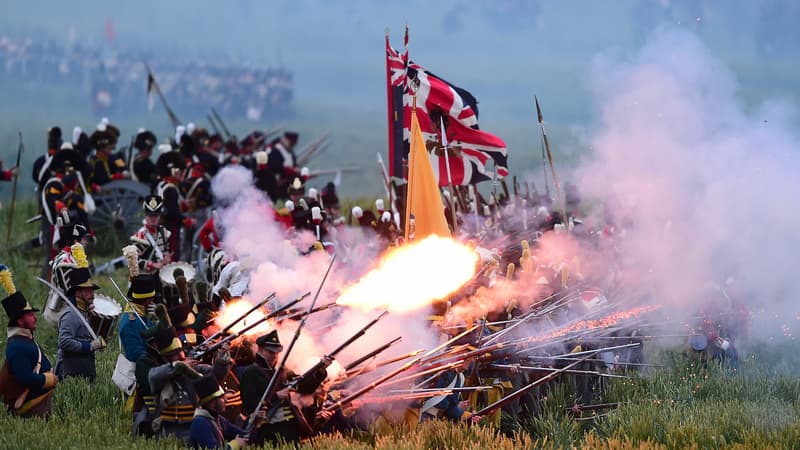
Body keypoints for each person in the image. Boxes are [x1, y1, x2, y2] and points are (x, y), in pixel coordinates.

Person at [0, 266, 58, 418]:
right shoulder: (17, 346)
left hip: (39, 403)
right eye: (30, 315)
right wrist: (47, 379)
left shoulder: (24, 340)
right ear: (20, 320)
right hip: (31, 408)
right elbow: (24, 377)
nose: (35, 317)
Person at [240, 330, 312, 447]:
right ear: (261, 350)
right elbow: (249, 406)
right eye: (270, 352)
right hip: (269, 430)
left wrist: (320, 372)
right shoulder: (251, 373)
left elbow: (303, 387)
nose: (274, 356)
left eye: (276, 353)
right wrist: (276, 396)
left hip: (290, 428)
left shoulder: (281, 371)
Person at [56, 256, 106, 382]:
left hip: (83, 369)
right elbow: (64, 341)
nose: (92, 294)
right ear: (77, 292)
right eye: (88, 290)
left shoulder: (84, 312)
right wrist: (89, 346)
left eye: (92, 290)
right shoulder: (71, 314)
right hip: (70, 372)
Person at [189, 375, 248, 450]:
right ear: (212, 402)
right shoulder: (200, 423)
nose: (225, 400)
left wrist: (254, 421)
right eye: (221, 397)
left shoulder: (219, 419)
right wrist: (235, 444)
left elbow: (242, 434)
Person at [130, 195, 172, 275]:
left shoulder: (164, 232)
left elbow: (166, 251)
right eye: (150, 215)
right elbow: (133, 260)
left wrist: (167, 258)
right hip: (145, 276)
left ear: (159, 216)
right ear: (146, 216)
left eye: (155, 215)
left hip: (161, 275)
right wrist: (152, 265)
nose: (153, 218)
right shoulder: (141, 235)